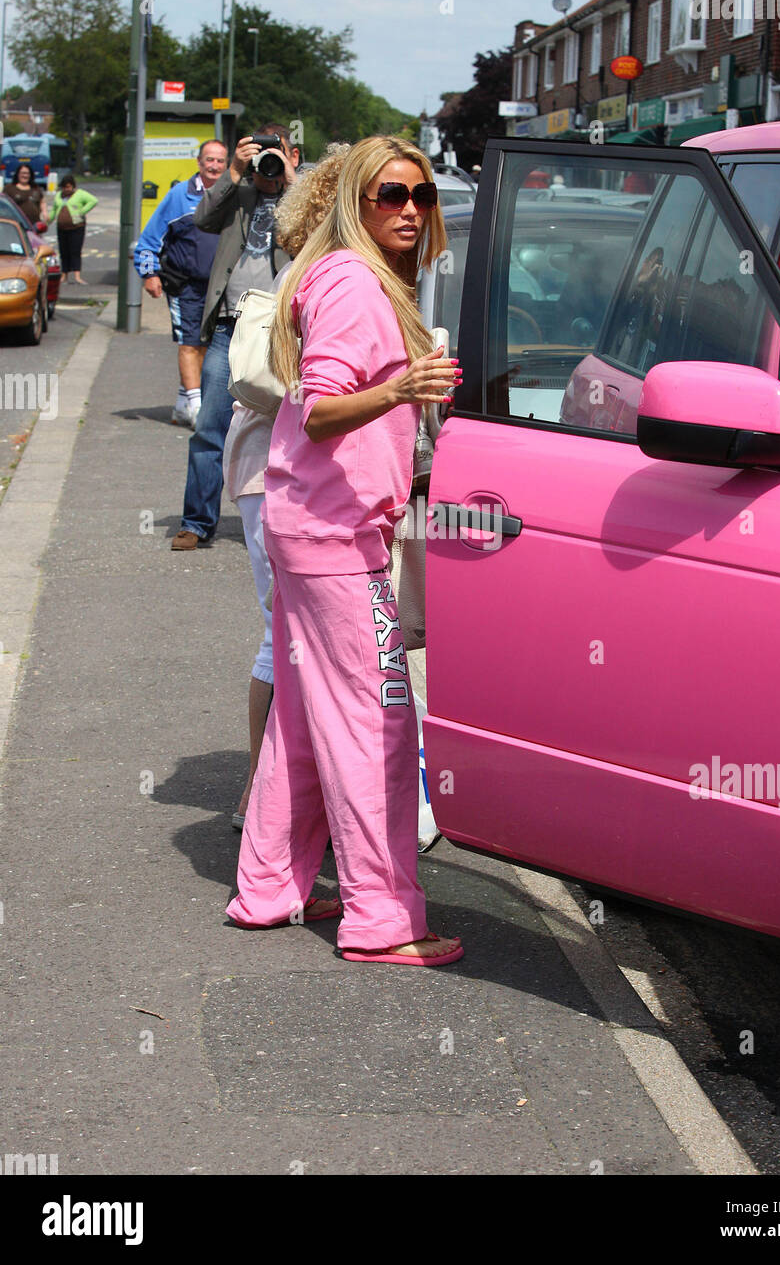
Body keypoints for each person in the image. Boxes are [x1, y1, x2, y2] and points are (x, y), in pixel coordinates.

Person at [226, 135, 464, 967]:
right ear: (352, 203)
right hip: (335, 536)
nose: (407, 210)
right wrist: (402, 388)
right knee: (379, 727)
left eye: (420, 196)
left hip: (312, 524)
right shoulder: (356, 287)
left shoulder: (339, 278)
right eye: (388, 195)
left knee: (300, 719)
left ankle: (268, 887)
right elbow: (324, 408)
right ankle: (381, 919)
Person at [224, 142, 351, 832]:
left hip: (274, 466)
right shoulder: (322, 276)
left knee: (294, 632)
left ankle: (277, 795)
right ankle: (267, 798)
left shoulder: (316, 270)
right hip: (275, 467)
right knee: (288, 632)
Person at [170, 125, 300, 551]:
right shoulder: (239, 193)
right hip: (229, 326)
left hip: (281, 329)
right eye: (261, 154)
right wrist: (233, 171)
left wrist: (292, 179)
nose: (267, 163)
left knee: (286, 428)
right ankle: (197, 521)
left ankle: (281, 521)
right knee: (210, 425)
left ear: (292, 154)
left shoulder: (299, 197)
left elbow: (322, 232)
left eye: (275, 154)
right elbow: (203, 218)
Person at [133, 140, 228, 428]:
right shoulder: (179, 196)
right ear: (199, 162)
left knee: (208, 348)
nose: (213, 166)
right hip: (184, 285)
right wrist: (149, 274)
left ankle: (181, 405)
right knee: (190, 344)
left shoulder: (232, 195)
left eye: (219, 161)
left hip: (219, 288)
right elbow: (149, 240)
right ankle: (198, 411)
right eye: (208, 160)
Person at [52, 175, 98, 283]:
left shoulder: (80, 194)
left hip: (77, 226)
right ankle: (64, 275)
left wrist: (81, 211)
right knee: (64, 251)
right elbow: (54, 209)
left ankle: (77, 276)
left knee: (75, 251)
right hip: (62, 227)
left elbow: (93, 201)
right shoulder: (59, 195)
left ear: (73, 186)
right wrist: (48, 220)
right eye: (64, 187)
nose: (67, 189)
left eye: (69, 187)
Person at [3, 162, 49, 234]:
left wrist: (45, 212)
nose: (25, 175)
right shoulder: (9, 188)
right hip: (16, 226)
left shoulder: (35, 188)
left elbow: (42, 201)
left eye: (27, 173)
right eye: (23, 173)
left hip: (34, 225)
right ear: (18, 174)